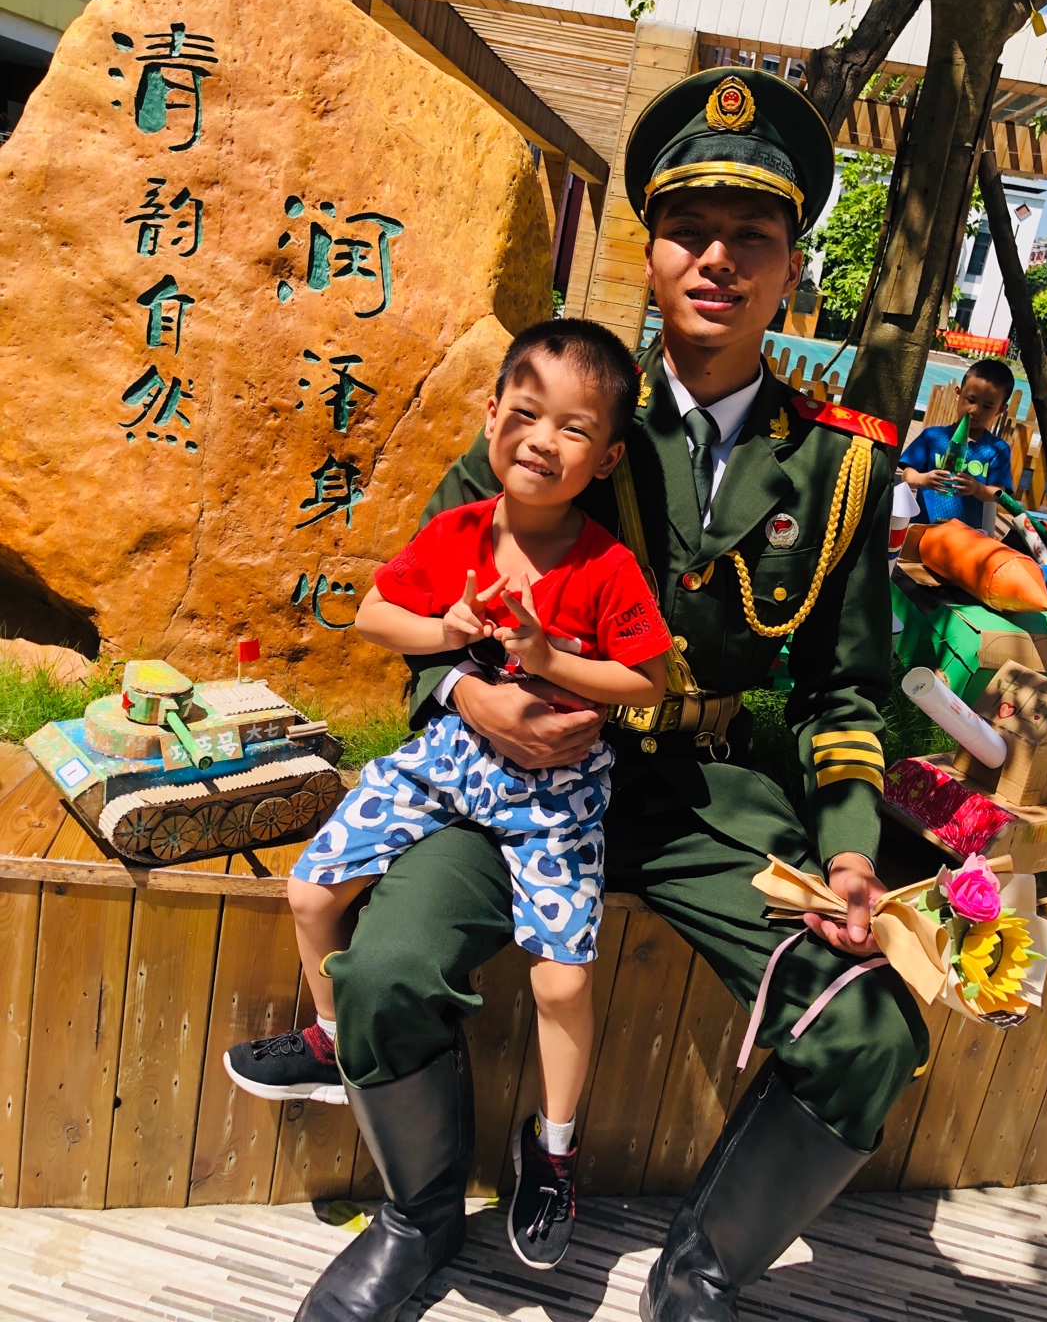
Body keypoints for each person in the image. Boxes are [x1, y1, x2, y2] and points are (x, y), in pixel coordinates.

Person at [291, 67, 930, 1322]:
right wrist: (466, 697)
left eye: (751, 236)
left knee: (869, 1033)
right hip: (515, 780)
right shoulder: (563, 410)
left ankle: (700, 1271)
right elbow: (429, 603)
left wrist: (852, 854)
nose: (717, 259)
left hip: (705, 805)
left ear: (791, 267)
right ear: (651, 252)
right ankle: (418, 1219)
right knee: (385, 971)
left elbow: (844, 693)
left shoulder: (839, 466)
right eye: (689, 229)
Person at [225, 319, 670, 1267]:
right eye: (527, 413)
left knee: (563, 978)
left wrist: (551, 659)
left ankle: (554, 1149)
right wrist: (449, 630)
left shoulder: (606, 565)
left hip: (556, 794)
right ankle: (333, 1041)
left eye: (575, 428)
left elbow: (648, 680)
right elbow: (376, 612)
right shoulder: (458, 532)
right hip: (453, 758)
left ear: (606, 457)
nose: (543, 440)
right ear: (492, 414)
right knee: (311, 889)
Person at [900, 359, 1015, 528]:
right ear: (958, 393)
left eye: (987, 406)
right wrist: (923, 479)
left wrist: (978, 489)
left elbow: (998, 493)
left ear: (1001, 410)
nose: (975, 410)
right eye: (971, 400)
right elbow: (906, 475)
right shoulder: (932, 437)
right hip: (923, 528)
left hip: (966, 535)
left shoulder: (997, 449)